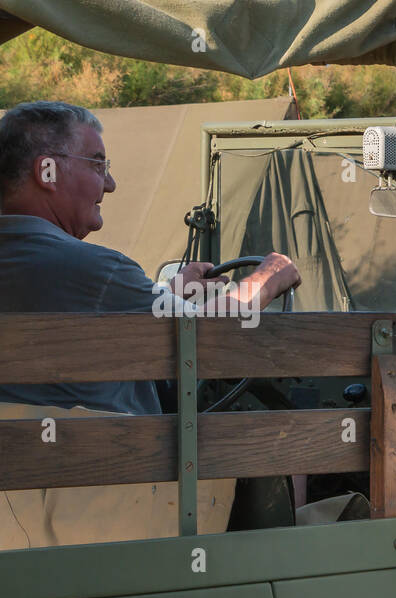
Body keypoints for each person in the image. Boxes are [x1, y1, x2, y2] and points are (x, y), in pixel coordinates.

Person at [0, 100, 300, 414]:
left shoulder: (65, 275)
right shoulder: (96, 270)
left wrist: (167, 295)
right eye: (97, 165)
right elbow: (205, 339)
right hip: (114, 460)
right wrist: (268, 278)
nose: (110, 184)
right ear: (47, 171)